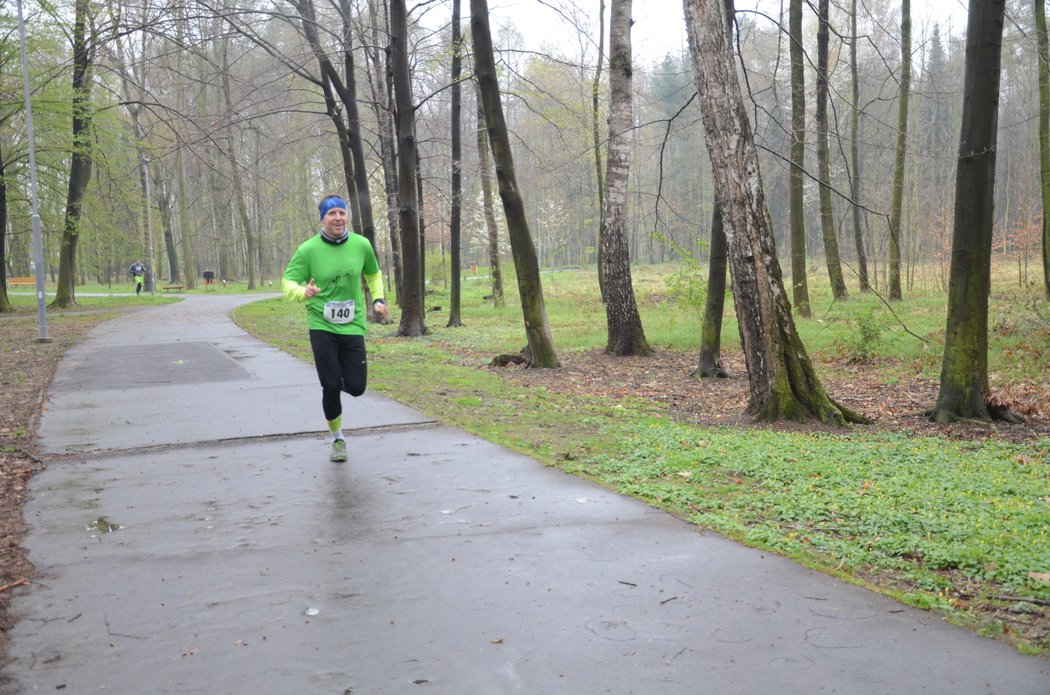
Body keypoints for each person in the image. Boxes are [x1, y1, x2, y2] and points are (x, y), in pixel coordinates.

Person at [282, 194, 389, 462]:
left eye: (342, 212)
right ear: (323, 218)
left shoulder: (361, 245)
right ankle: (337, 438)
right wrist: (302, 292)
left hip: (352, 325)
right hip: (321, 324)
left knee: (356, 387)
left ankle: (333, 378)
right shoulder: (308, 250)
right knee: (330, 385)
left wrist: (378, 299)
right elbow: (287, 281)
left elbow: (373, 274)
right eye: (332, 214)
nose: (338, 218)